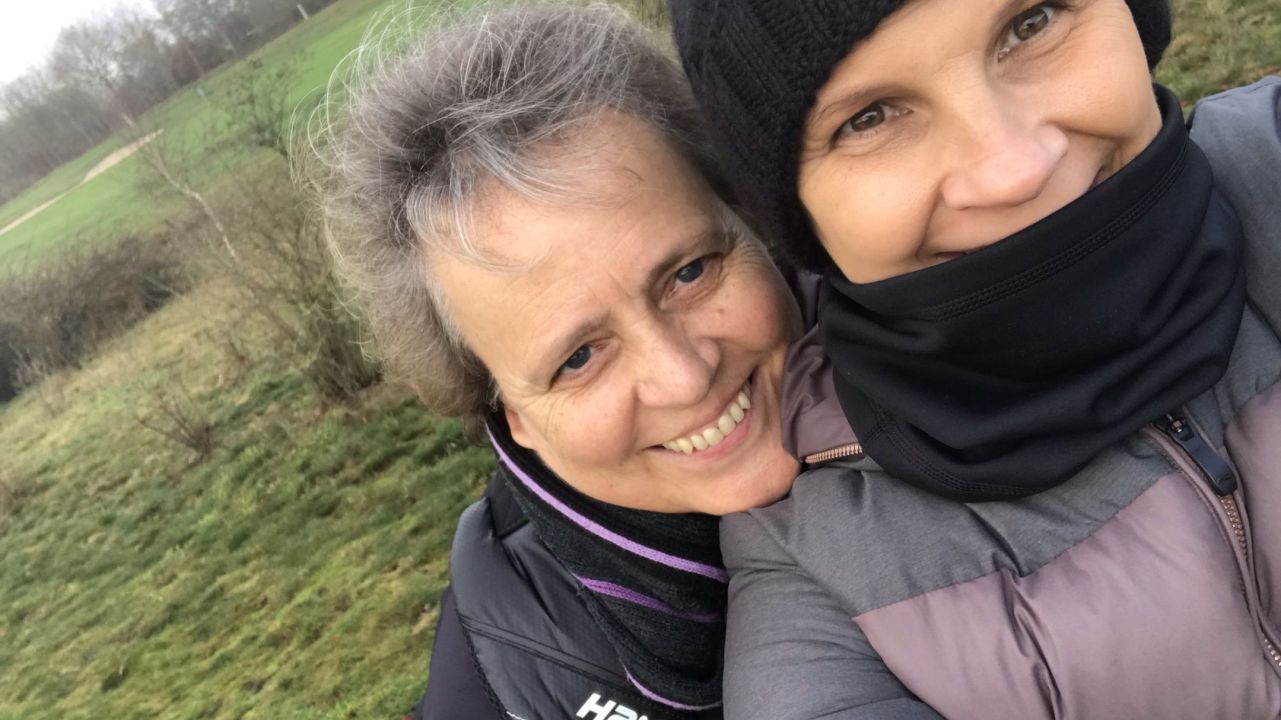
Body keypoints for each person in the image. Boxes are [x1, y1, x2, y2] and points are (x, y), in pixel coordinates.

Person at [670, 0, 1281, 718]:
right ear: (799, 217)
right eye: (868, 118)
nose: (1013, 170)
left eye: (1032, 23)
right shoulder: (813, 573)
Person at [313, 4, 856, 718]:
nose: (683, 376)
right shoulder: (509, 678)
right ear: (513, 417)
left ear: (749, 218)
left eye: (690, 273)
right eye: (577, 358)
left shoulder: (957, 346)